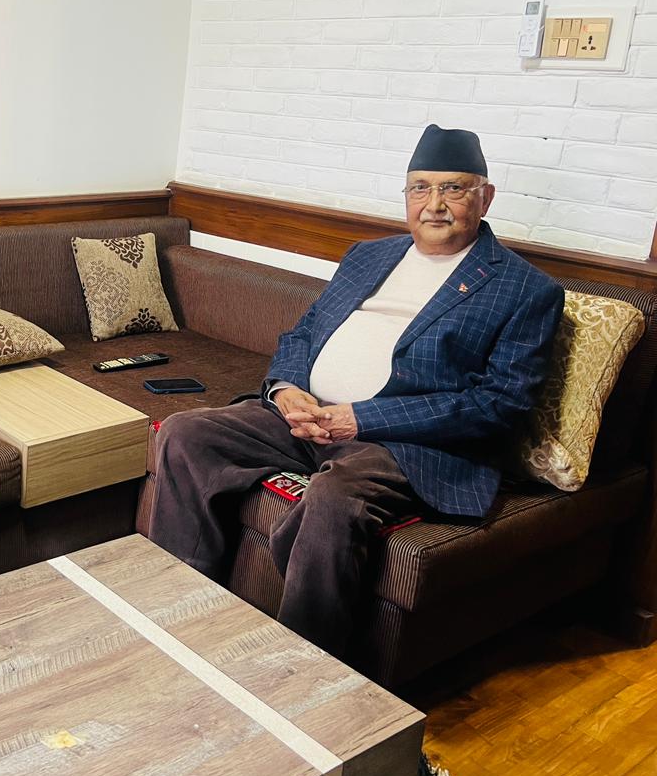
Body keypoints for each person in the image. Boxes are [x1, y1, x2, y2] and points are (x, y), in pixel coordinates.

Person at [149, 124, 563, 657]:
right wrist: (285, 389)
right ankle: (178, 607)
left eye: (453, 189)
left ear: (485, 197)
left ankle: (306, 663)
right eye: (420, 188)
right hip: (307, 418)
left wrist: (361, 419)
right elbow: (302, 333)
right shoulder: (368, 256)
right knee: (186, 434)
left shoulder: (525, 289)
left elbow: (497, 406)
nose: (434, 204)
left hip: (405, 445)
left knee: (333, 498)